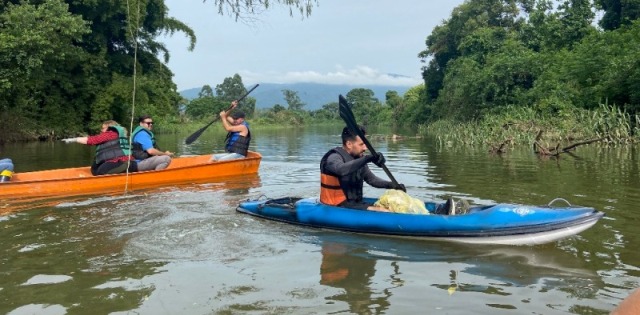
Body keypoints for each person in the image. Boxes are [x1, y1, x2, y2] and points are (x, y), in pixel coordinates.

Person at [319, 125, 405, 212]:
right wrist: (367, 158)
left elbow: (372, 180)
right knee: (385, 211)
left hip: (355, 204)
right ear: (349, 144)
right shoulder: (333, 157)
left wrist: (392, 185)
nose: (365, 148)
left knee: (394, 207)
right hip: (335, 206)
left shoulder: (358, 158)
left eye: (365, 144)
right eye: (361, 144)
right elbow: (340, 170)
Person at [61, 120, 138, 176]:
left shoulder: (111, 133)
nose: (101, 130)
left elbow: (92, 140)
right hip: (118, 161)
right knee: (95, 170)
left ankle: (123, 174)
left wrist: (73, 140)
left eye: (103, 128)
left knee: (101, 172)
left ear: (109, 127)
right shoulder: (114, 134)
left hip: (123, 162)